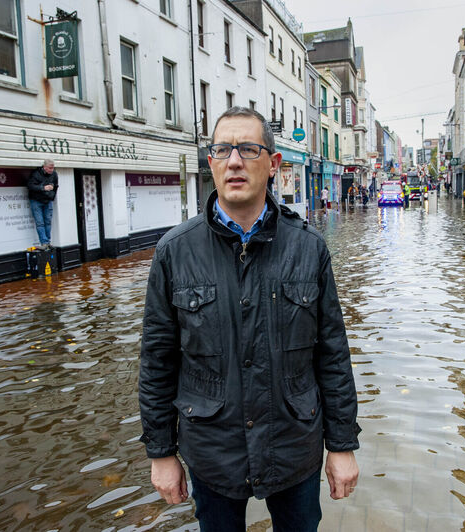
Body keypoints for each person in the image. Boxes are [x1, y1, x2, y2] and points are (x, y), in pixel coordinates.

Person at [139, 107, 360, 532]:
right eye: (223, 150)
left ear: (273, 164)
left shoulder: (308, 248)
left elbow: (333, 354)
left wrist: (342, 444)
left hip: (294, 445)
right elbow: (157, 361)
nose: (235, 161)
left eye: (248, 149)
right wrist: (161, 452)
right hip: (213, 451)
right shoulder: (174, 252)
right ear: (211, 163)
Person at [27, 159, 58, 248]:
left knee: (48, 222)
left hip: (48, 200)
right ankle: (44, 242)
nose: (51, 170)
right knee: (40, 222)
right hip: (36, 201)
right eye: (50, 168)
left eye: (53, 168)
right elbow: (30, 186)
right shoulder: (36, 174)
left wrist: (52, 196)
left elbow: (56, 186)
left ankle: (47, 242)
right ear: (44, 167)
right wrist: (43, 188)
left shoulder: (54, 174)